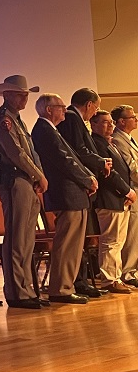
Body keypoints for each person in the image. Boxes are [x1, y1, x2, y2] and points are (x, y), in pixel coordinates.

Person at [32, 93, 98, 304]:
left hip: (73, 194)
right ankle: (61, 289)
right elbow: (64, 160)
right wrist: (87, 179)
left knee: (73, 245)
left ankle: (65, 287)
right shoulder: (43, 130)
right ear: (49, 110)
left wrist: (87, 177)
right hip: (66, 193)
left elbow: (72, 158)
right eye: (61, 107)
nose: (65, 111)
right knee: (67, 244)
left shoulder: (51, 129)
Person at [0, 75, 47, 309]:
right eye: (19, 94)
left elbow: (31, 153)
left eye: (26, 94)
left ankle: (27, 290)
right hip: (13, 179)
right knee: (16, 239)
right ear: (6, 95)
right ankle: (16, 293)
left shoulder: (19, 120)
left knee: (26, 239)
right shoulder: (4, 120)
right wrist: (39, 176)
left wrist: (37, 177)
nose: (25, 98)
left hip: (26, 180)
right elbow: (16, 154)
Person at [57, 88, 110, 298]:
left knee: (82, 239)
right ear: (89, 105)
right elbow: (78, 151)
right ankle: (77, 281)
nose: (94, 113)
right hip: (74, 186)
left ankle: (80, 281)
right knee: (76, 240)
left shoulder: (73, 119)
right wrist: (100, 162)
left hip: (82, 186)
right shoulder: (72, 118)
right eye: (95, 107)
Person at [89, 109, 136, 294]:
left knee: (118, 241)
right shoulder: (97, 144)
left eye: (111, 122)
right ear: (93, 124)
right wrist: (128, 191)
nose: (110, 125)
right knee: (111, 241)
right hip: (108, 199)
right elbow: (109, 175)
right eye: (105, 122)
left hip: (118, 199)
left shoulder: (108, 143)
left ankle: (115, 277)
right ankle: (109, 279)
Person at [110, 105, 138, 287]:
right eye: (132, 116)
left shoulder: (129, 139)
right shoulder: (119, 140)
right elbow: (131, 169)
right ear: (121, 121)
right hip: (131, 192)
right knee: (131, 235)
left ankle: (133, 271)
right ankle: (129, 273)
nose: (136, 119)